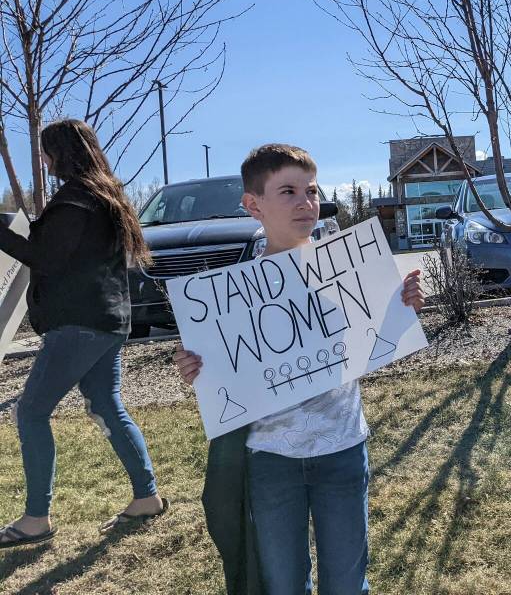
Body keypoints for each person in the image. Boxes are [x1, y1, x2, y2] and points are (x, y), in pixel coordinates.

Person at [173, 144, 425, 595]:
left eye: (311, 190)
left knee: (347, 583)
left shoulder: (350, 269)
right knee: (283, 584)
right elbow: (225, 373)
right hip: (272, 460)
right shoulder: (231, 297)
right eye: (287, 191)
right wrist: (197, 366)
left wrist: (399, 306)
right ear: (254, 205)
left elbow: (372, 338)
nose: (305, 202)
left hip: (343, 448)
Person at [0, 119, 166, 548]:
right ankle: (146, 497)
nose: (43, 160)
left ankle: (36, 518)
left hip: (79, 323)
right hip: (108, 321)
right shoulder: (104, 195)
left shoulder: (76, 200)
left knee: (32, 412)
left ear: (62, 153)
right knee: (107, 406)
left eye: (46, 151)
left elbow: (46, 258)